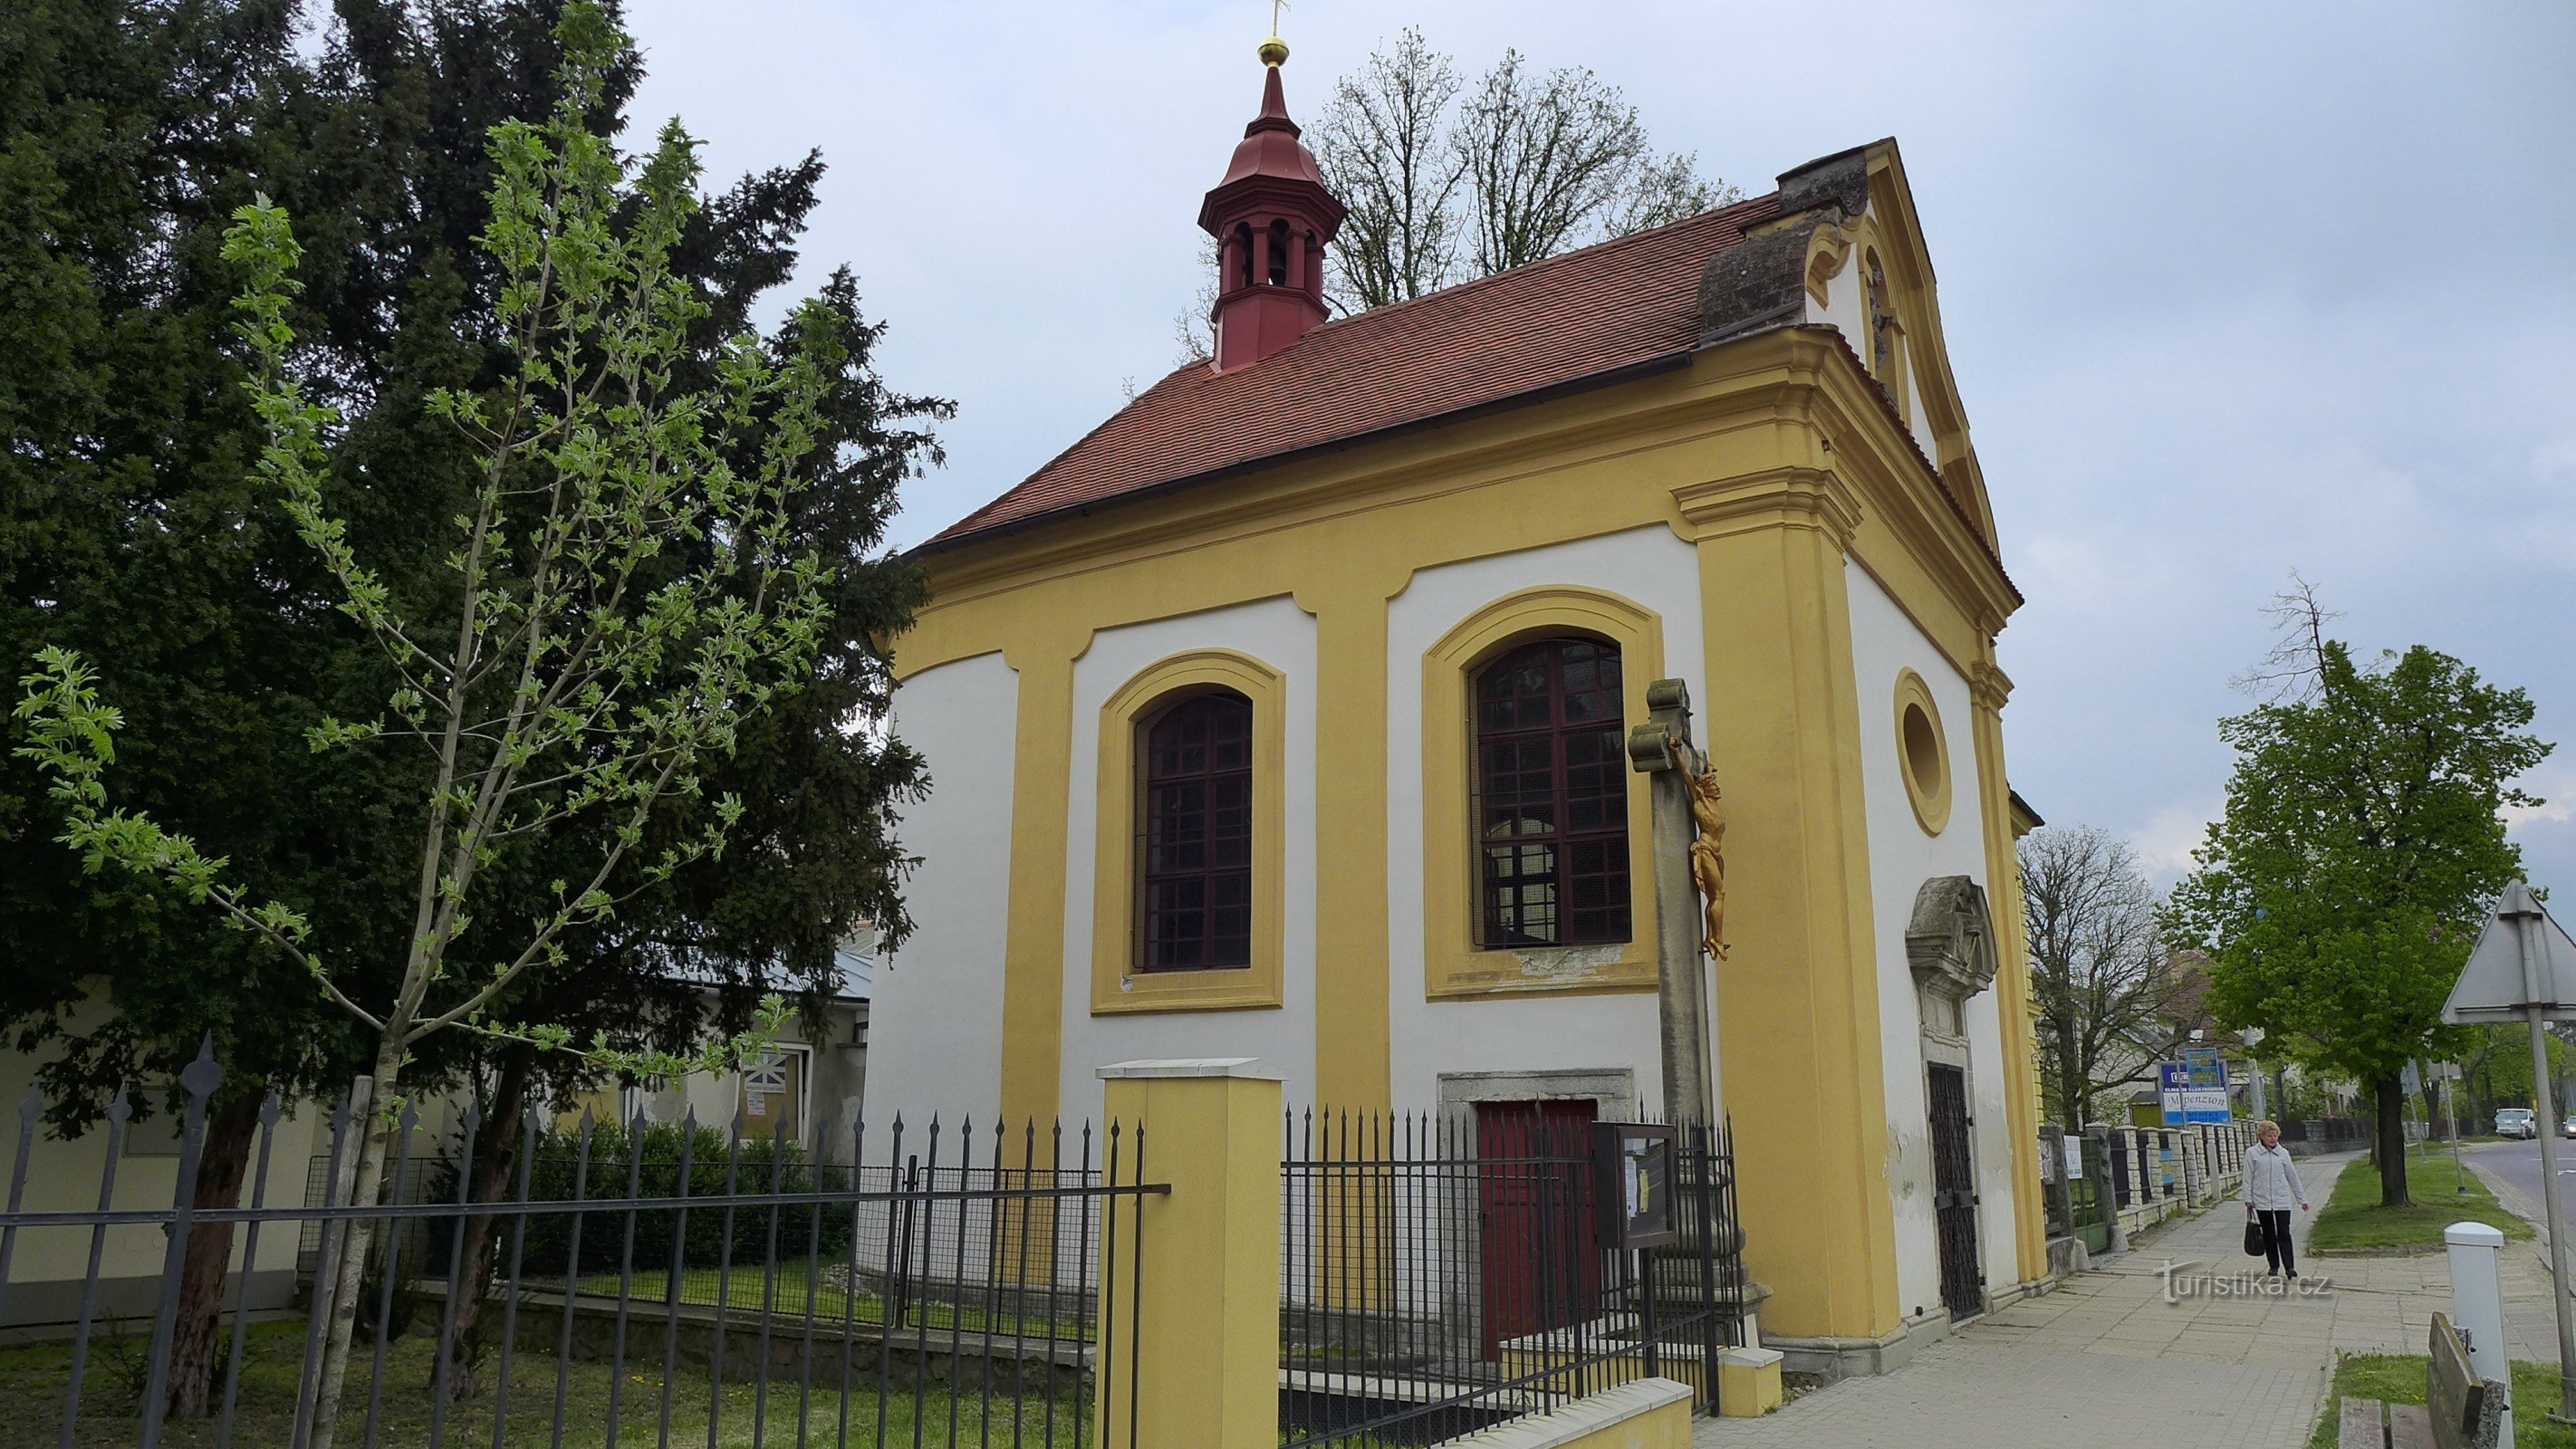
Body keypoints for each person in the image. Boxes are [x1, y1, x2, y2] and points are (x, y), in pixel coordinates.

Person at [2243, 1119, 2311, 1280]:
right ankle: (2274, 1265)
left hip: (2281, 1200)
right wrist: (2248, 1198)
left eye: (2275, 1135)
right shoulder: (2252, 1153)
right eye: (2269, 1135)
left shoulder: (2283, 1153)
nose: (2273, 1138)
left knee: (2284, 1233)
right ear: (2262, 1136)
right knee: (2268, 1234)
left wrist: (2302, 1200)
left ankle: (2289, 1267)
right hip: (2262, 1200)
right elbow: (2247, 1177)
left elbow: (2292, 1177)